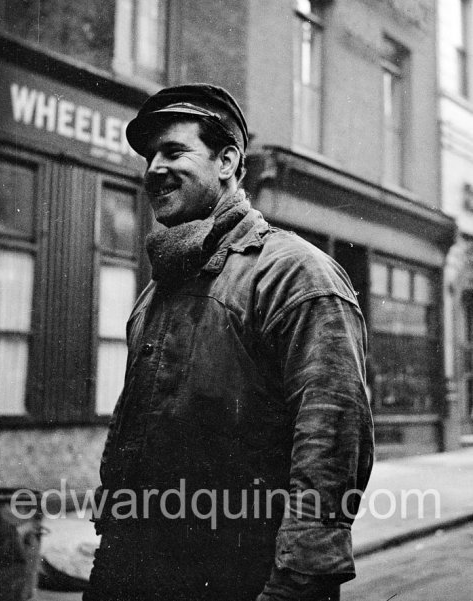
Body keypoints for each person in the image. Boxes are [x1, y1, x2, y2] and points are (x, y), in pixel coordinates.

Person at [84, 83, 374, 601]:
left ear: (227, 161)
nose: (153, 169)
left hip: (242, 573)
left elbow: (332, 434)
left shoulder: (294, 274)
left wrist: (298, 580)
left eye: (174, 151)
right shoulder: (159, 291)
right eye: (150, 156)